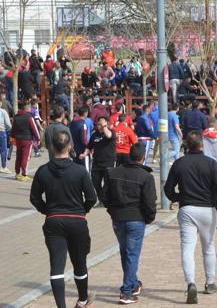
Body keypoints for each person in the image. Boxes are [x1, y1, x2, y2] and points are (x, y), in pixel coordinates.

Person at [30, 129, 97, 308]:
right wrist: (83, 210)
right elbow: (92, 197)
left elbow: (34, 198)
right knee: (79, 262)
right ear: (70, 146)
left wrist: (47, 211)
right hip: (77, 220)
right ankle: (82, 299)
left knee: (57, 265)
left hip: (53, 222)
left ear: (51, 147)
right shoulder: (80, 171)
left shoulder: (42, 171)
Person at [164, 131, 217, 303]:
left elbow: (168, 190)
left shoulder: (179, 163)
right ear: (201, 145)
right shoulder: (211, 163)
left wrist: (180, 198)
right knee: (208, 248)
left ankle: (191, 283)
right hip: (209, 210)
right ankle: (210, 283)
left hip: (187, 210)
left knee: (187, 248)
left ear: (186, 145)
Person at [101, 143, 157, 304]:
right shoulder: (146, 177)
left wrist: (112, 210)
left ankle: (132, 283)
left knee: (126, 252)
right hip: (135, 219)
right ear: (142, 158)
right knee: (131, 254)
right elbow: (149, 202)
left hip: (118, 218)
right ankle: (126, 292)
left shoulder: (113, 173)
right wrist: (149, 218)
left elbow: (104, 196)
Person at [81, 116, 115, 203]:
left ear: (106, 124)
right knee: (95, 182)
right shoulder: (94, 135)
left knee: (108, 183)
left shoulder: (111, 132)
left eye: (102, 124)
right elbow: (89, 147)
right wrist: (84, 154)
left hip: (108, 163)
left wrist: (104, 127)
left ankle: (106, 199)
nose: (100, 126)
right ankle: (102, 199)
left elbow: (109, 136)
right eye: (99, 124)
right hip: (97, 163)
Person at [12, 101, 41, 181]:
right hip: (27, 140)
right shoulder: (29, 117)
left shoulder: (16, 116)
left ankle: (17, 173)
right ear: (28, 108)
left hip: (18, 140)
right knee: (26, 157)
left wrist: (12, 136)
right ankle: (23, 174)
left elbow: (13, 128)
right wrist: (38, 139)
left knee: (19, 156)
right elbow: (34, 129)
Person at [0, 98, 11, 174]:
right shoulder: (3, 112)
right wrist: (9, 130)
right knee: (3, 150)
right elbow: (8, 124)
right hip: (2, 131)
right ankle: (3, 167)